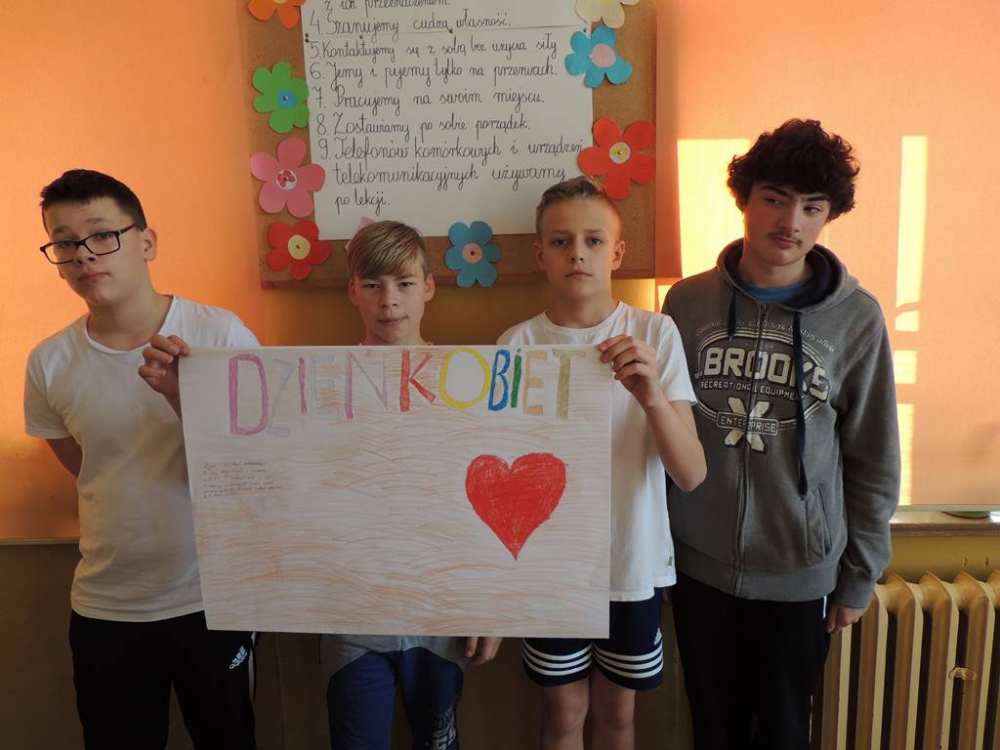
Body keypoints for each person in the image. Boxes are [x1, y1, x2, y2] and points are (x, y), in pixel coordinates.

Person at [662, 119, 901, 749]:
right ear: (744, 198)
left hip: (801, 571)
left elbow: (874, 456)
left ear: (828, 216)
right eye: (774, 199)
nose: (790, 221)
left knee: (784, 732)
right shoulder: (685, 305)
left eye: (812, 207)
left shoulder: (857, 319)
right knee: (711, 729)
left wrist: (859, 576)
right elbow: (659, 435)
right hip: (698, 566)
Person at [24, 169, 258, 748]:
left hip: (211, 598)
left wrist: (184, 398)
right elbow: (87, 468)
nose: (83, 255)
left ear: (147, 242)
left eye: (102, 235)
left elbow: (258, 469)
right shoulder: (49, 362)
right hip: (106, 605)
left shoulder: (219, 334)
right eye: (64, 242)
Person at [498, 177, 706, 750]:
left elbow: (691, 474)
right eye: (561, 241)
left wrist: (653, 396)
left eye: (593, 240)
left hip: (630, 562)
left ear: (617, 253)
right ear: (540, 254)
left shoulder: (654, 332)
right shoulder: (516, 345)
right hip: (550, 568)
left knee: (617, 713)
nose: (577, 254)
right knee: (562, 714)